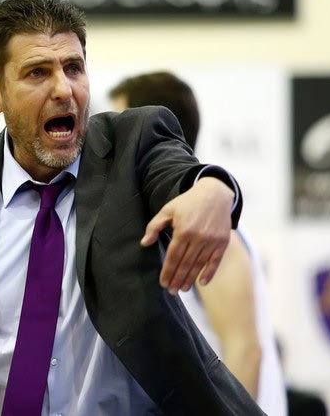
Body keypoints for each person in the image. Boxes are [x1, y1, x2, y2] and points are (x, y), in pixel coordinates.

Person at [0, 0, 264, 415]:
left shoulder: (133, 146)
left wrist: (212, 189)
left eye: (73, 68)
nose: (63, 90)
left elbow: (177, 172)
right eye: (38, 72)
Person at [109, 70, 287, 415]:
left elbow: (245, 350)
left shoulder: (209, 226)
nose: (109, 141)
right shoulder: (167, 219)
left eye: (121, 127)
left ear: (153, 132)